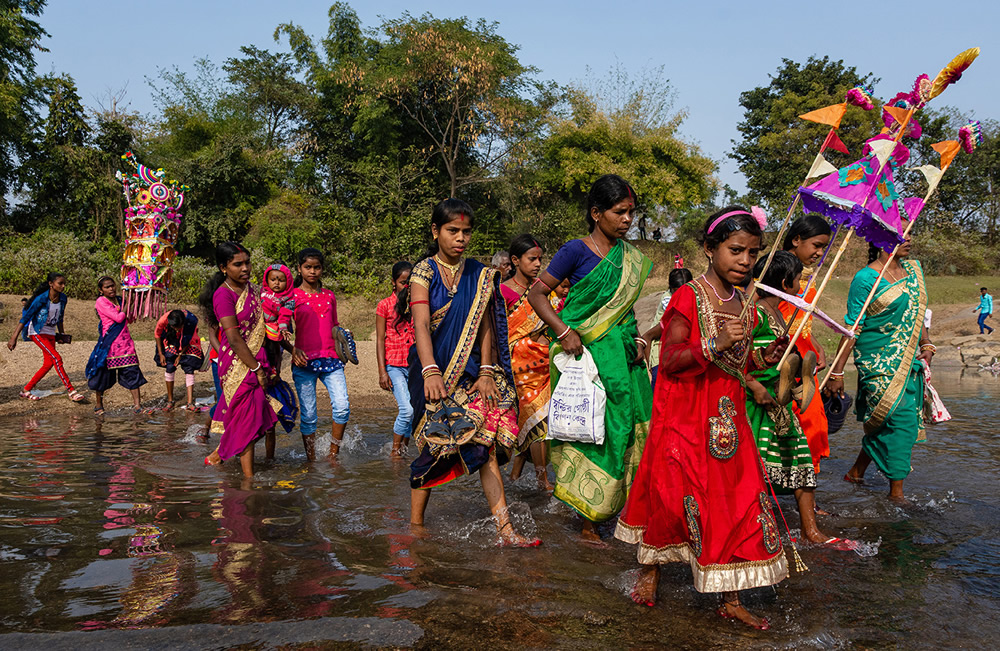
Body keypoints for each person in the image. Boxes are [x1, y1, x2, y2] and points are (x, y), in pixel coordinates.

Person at [615, 206, 788, 630]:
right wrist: (711, 343)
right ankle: (650, 570)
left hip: (729, 420)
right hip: (688, 419)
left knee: (737, 501)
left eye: (752, 252)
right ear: (710, 249)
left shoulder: (744, 301)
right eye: (735, 250)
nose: (745, 261)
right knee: (674, 497)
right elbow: (671, 359)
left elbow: (737, 365)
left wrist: (766, 356)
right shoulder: (688, 296)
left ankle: (730, 596)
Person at [404, 198, 539, 546]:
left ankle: (505, 530)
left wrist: (487, 370)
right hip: (430, 369)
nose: (460, 238)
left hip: (471, 372)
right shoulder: (424, 272)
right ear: (436, 232)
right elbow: (420, 324)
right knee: (433, 445)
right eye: (452, 231)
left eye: (466, 231)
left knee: (486, 444)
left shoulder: (480, 275)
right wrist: (431, 371)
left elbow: (486, 328)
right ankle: (416, 526)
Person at [527, 174, 653, 541]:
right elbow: (538, 295)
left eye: (631, 212)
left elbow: (625, 312)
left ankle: (630, 514)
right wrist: (564, 332)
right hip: (585, 357)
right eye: (619, 212)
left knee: (629, 429)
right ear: (597, 213)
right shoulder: (575, 251)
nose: (627, 219)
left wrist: (639, 340)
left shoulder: (631, 259)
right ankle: (588, 521)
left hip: (624, 357)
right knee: (596, 431)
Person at [826, 228, 934, 501]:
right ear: (881, 238)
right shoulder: (865, 279)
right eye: (903, 233)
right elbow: (852, 328)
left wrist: (927, 344)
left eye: (911, 232)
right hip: (877, 365)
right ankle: (896, 493)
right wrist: (837, 371)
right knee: (901, 423)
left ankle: (856, 471)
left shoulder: (913, 271)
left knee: (886, 422)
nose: (909, 238)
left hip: (909, 363)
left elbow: (917, 311)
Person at [745, 252, 833, 544]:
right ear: (785, 282)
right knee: (753, 472)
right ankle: (753, 531)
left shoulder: (780, 314)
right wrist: (754, 383)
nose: (800, 284)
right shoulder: (754, 313)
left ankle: (811, 531)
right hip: (757, 403)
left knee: (801, 462)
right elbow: (736, 360)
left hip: (782, 404)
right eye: (797, 279)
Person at [202, 242, 279, 476]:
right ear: (224, 268)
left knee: (258, 417)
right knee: (247, 421)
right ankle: (248, 481)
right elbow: (233, 337)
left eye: (247, 262)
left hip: (260, 361)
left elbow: (269, 326)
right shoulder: (222, 295)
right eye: (238, 264)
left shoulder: (256, 291)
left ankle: (221, 455)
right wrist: (256, 368)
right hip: (238, 365)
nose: (245, 268)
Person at [780, 213, 833, 472]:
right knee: (796, 427)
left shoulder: (806, 275)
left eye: (824, 247)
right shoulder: (777, 272)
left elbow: (801, 321)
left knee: (812, 424)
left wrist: (816, 345)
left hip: (804, 361)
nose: (820, 252)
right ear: (796, 239)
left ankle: (807, 499)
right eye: (817, 245)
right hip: (784, 363)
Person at [501, 234, 553, 490]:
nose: (537, 264)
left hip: (543, 364)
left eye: (540, 259)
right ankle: (543, 480)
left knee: (537, 420)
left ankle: (514, 476)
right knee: (535, 418)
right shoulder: (502, 292)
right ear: (515, 260)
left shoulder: (543, 291)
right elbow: (500, 332)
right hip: (517, 368)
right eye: (532, 259)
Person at [291, 248, 350, 461]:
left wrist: (344, 341)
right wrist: (291, 350)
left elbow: (334, 325)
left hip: (331, 359)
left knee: (342, 408)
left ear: (322, 269)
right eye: (308, 267)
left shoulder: (329, 296)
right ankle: (311, 460)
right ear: (299, 269)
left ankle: (333, 455)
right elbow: (281, 329)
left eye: (317, 267)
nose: (312, 271)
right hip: (304, 362)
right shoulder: (292, 296)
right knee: (308, 417)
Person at [7, 272, 84, 402]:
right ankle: (71, 390)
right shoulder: (41, 299)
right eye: (60, 283)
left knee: (49, 363)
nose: (63, 286)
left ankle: (26, 389)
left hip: (50, 332)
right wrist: (13, 337)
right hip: (37, 332)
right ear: (51, 284)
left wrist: (62, 334)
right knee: (57, 358)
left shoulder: (63, 298)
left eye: (64, 283)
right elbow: (25, 318)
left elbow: (60, 318)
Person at [86, 276, 147, 414]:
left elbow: (128, 319)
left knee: (132, 371)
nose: (111, 289)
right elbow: (119, 317)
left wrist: (136, 301)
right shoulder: (101, 301)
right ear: (100, 290)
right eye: (107, 287)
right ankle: (99, 405)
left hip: (125, 343)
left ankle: (137, 406)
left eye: (112, 285)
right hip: (110, 344)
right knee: (102, 375)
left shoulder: (120, 300)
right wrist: (128, 303)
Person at [376, 261, 416, 457]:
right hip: (394, 365)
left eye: (409, 283)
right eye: (402, 282)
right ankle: (394, 452)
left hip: (414, 365)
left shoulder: (417, 304)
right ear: (394, 283)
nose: (406, 287)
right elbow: (380, 338)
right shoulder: (384, 305)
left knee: (413, 412)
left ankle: (403, 451)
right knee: (406, 410)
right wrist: (382, 371)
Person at [260, 263, 298, 459]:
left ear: (288, 282)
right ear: (266, 280)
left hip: (276, 330)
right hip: (260, 333)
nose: (276, 283)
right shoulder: (260, 294)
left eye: (281, 280)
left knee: (274, 352)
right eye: (273, 279)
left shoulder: (288, 299)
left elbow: (285, 314)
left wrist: (283, 326)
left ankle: (269, 458)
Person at [642, 268, 694, 392]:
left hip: (676, 350)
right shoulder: (668, 299)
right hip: (660, 349)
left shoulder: (690, 296)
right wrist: (651, 365)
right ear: (670, 288)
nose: (681, 294)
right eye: (677, 291)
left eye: (685, 290)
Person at [154, 309, 204, 410]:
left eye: (179, 327)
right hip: (170, 338)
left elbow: (188, 339)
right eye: (174, 327)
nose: (177, 330)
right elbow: (157, 335)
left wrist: (180, 355)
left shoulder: (191, 321)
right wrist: (161, 354)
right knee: (169, 365)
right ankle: (170, 401)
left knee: (189, 364)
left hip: (187, 342)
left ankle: (190, 403)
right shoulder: (163, 320)